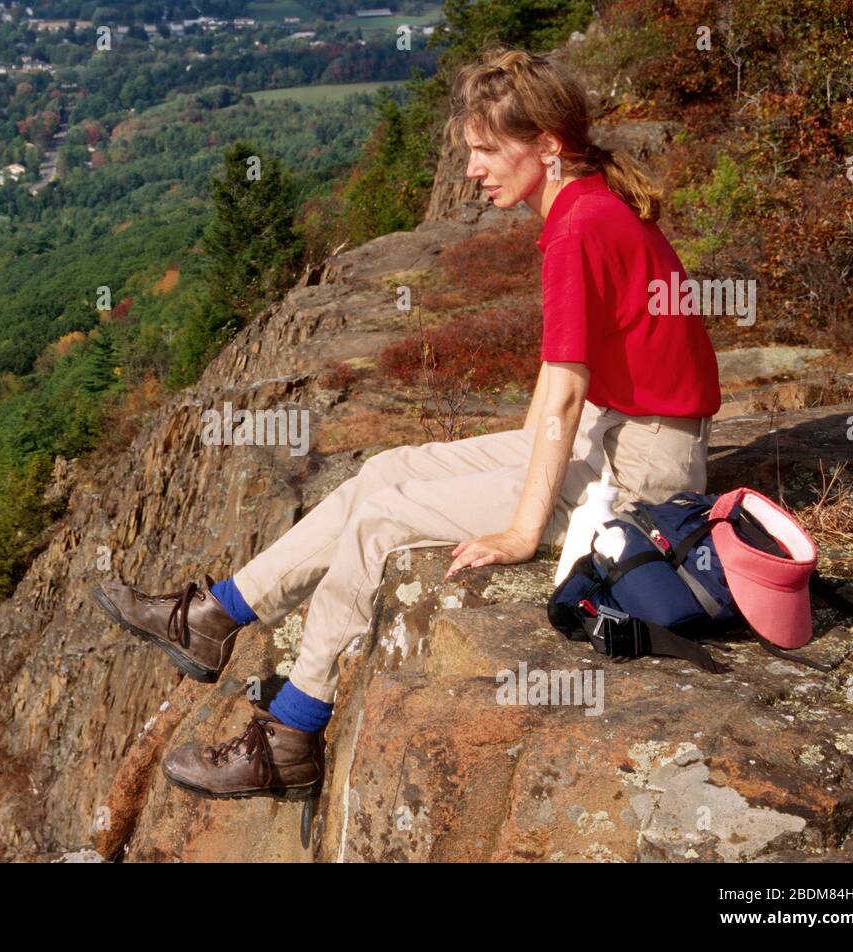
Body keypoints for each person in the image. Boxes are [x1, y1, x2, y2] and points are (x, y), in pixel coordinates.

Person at [92, 47, 722, 801]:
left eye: (487, 150)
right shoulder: (583, 208)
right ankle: (214, 614)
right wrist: (521, 468)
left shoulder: (582, 227)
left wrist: (523, 528)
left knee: (383, 520)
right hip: (617, 430)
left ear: (548, 144)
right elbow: (560, 390)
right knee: (386, 470)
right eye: (470, 152)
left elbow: (562, 393)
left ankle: (292, 734)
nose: (473, 170)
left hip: (642, 467)